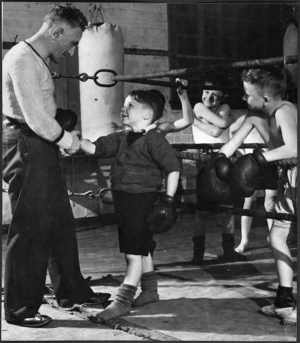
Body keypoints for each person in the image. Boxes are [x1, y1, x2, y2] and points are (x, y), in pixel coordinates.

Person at [2, 5, 110, 328]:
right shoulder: (22, 59)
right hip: (26, 142)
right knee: (31, 226)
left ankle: (72, 290)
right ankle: (20, 309)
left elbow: (42, 115)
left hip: (39, 142)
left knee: (61, 220)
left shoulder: (36, 58)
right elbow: (35, 119)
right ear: (56, 32)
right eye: (72, 42)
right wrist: (71, 141)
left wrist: (60, 135)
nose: (72, 49)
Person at [81, 89, 181, 322]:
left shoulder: (154, 139)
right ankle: (150, 291)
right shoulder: (122, 136)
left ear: (147, 115)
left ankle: (122, 302)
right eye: (124, 105)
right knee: (141, 247)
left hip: (143, 201)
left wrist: (168, 199)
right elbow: (95, 148)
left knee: (133, 254)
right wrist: (71, 140)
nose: (123, 109)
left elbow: (173, 168)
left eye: (130, 106)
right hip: (124, 200)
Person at [217, 67, 297, 325]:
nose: (243, 98)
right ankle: (285, 302)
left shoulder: (285, 110)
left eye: (247, 94)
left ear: (265, 99)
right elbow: (232, 144)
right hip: (289, 183)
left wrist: (262, 157)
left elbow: (294, 147)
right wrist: (219, 160)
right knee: (276, 236)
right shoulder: (256, 118)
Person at [190, 76, 246, 264]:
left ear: (223, 96)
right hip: (205, 160)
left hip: (224, 159)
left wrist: (193, 121)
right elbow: (218, 128)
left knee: (228, 209)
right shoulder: (198, 106)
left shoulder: (224, 108)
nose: (209, 98)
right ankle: (198, 254)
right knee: (202, 210)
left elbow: (218, 130)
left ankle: (228, 250)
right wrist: (195, 119)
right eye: (206, 92)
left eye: (215, 94)